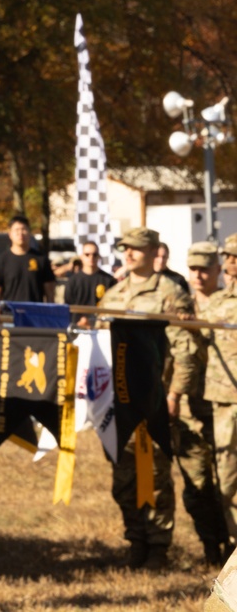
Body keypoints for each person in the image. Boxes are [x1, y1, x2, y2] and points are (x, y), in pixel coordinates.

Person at [97, 227, 197, 569]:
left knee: (155, 475)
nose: (129, 253)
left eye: (136, 249)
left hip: (154, 400)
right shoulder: (113, 295)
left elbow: (184, 350)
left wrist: (174, 394)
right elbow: (98, 346)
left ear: (153, 251)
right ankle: (135, 539)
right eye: (125, 248)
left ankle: (158, 546)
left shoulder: (170, 293)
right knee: (123, 475)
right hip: (119, 401)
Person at [173, 241, 230, 565]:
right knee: (197, 483)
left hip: (222, 407)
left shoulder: (227, 306)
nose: (197, 275)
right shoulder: (181, 305)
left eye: (204, 269)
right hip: (188, 409)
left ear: (218, 271)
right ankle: (210, 544)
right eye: (192, 269)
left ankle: (230, 547)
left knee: (228, 483)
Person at [205, 234, 237, 548]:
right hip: (225, 400)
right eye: (228, 257)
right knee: (226, 474)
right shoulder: (216, 303)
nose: (231, 262)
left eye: (235, 257)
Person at [0, 215, 56, 314]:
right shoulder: (2, 261)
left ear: (29, 233)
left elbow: (50, 294)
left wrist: (50, 315)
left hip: (35, 316)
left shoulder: (41, 259)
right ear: (10, 234)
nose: (20, 233)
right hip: (10, 317)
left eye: (24, 229)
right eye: (16, 230)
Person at [62, 241, 117, 327]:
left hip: (101, 327)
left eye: (94, 254)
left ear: (99, 256)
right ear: (81, 257)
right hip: (77, 327)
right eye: (87, 254)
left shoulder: (109, 280)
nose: (91, 257)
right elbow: (68, 307)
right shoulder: (72, 281)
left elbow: (113, 306)